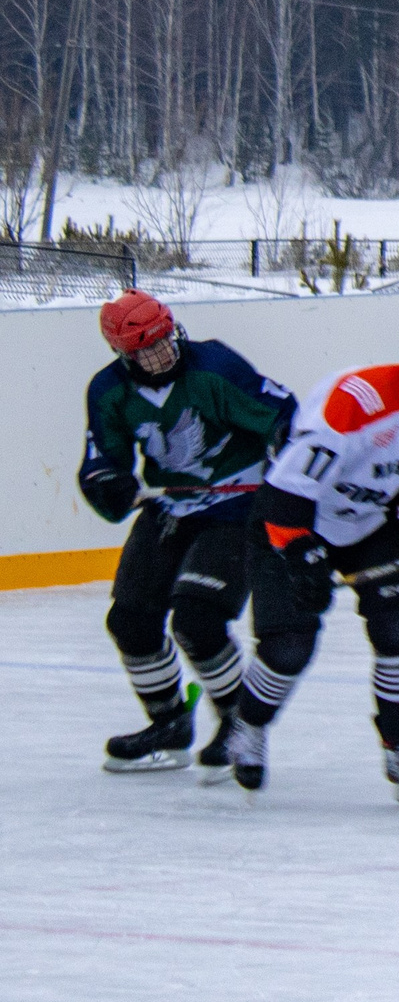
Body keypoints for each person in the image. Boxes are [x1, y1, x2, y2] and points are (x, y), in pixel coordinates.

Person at [209, 313, 399, 806]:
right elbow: (287, 488)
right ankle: (247, 726)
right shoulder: (357, 399)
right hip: (293, 519)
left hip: (369, 524)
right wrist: (300, 551)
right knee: (289, 646)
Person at [77, 290, 296, 772]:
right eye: (147, 350)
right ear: (122, 354)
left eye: (165, 341)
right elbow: (101, 458)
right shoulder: (108, 391)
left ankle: (239, 724)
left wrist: (284, 445)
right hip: (170, 507)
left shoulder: (214, 366)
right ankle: (169, 724)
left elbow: (282, 411)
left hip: (238, 508)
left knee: (197, 620)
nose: (162, 354)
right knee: (129, 621)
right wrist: (107, 482)